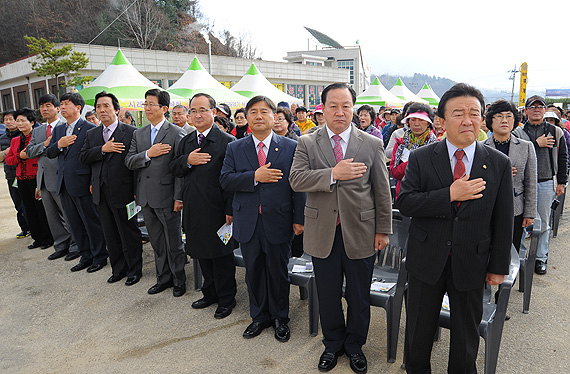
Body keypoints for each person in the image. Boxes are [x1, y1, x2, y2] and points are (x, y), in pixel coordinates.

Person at [396, 83, 514, 374]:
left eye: (474, 113)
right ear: (442, 120)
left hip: (472, 260)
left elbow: (503, 219)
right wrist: (449, 194)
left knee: (465, 338)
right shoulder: (422, 157)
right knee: (418, 334)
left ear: (482, 119)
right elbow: (406, 202)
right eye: (458, 113)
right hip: (427, 258)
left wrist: (499, 266)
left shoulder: (497, 163)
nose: (467, 120)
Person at [289, 82, 392, 374]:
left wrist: (382, 229)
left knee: (359, 294)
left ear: (354, 109)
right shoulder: (308, 142)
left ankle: (355, 345)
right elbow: (296, 179)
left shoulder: (371, 143)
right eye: (333, 105)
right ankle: (333, 344)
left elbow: (382, 191)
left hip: (361, 231)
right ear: (323, 108)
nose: (340, 112)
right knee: (328, 291)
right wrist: (333, 173)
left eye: (345, 105)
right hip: (323, 231)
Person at [220, 95, 306, 343]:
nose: (259, 116)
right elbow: (225, 179)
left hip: (279, 219)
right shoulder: (235, 147)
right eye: (253, 112)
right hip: (247, 220)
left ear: (274, 117)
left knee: (278, 272)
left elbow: (298, 187)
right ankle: (259, 317)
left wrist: (299, 219)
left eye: (264, 112)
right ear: (246, 118)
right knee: (253, 271)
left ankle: (280, 318)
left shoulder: (291, 146)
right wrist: (254, 176)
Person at [170, 93, 237, 319]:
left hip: (218, 210)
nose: (197, 115)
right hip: (193, 207)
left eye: (202, 110)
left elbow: (232, 181)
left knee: (221, 256)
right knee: (201, 253)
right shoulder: (186, 141)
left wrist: (230, 210)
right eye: (193, 111)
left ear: (214, 112)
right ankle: (210, 293)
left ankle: (227, 298)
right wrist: (187, 161)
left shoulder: (227, 141)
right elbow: (174, 168)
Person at [125, 88, 187, 296]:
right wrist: (148, 154)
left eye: (152, 104)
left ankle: (179, 279)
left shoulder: (177, 132)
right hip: (145, 196)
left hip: (168, 197)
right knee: (157, 242)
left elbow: (180, 170)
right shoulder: (139, 133)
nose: (147, 107)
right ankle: (164, 278)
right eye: (145, 104)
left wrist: (179, 196)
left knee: (174, 242)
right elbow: (129, 161)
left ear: (164, 108)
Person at [78, 91, 143, 286]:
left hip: (125, 192)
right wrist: (102, 149)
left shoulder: (131, 132)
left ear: (116, 109)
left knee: (128, 232)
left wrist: (136, 191)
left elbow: (136, 164)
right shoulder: (93, 133)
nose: (102, 110)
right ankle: (118, 269)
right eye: (99, 107)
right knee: (110, 233)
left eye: (106, 106)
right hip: (100, 191)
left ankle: (134, 270)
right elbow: (83, 157)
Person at [46, 93, 108, 273]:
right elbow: (50, 153)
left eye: (67, 104)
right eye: (62, 104)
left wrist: (92, 181)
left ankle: (99, 256)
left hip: (83, 183)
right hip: (64, 183)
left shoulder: (89, 128)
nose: (62, 107)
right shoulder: (59, 129)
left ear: (78, 108)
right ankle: (85, 255)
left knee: (91, 222)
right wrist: (60, 144)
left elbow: (94, 158)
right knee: (74, 222)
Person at [512, 95, 568, 275]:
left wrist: (562, 182)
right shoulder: (517, 133)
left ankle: (540, 258)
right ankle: (519, 257)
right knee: (520, 221)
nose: (536, 109)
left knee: (543, 223)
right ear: (526, 111)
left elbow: (563, 158)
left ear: (545, 110)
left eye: (540, 106)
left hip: (545, 183)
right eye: (532, 106)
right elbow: (514, 155)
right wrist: (536, 144)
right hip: (521, 184)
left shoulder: (555, 131)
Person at [26, 94, 79, 261]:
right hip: (43, 179)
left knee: (68, 214)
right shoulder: (38, 131)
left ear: (57, 108)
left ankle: (76, 245)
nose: (44, 109)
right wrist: (45, 145)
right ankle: (61, 244)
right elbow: (29, 152)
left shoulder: (66, 126)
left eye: (48, 105)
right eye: (42, 106)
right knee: (52, 216)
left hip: (61, 177)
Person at [483, 99, 537, 251]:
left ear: (515, 120)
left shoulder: (526, 147)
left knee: (510, 250)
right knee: (485, 249)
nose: (504, 120)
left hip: (515, 208)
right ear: (490, 120)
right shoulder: (481, 148)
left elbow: (531, 183)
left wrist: (530, 213)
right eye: (499, 116)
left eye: (509, 116)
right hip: (486, 208)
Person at [5, 108, 54, 249]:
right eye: (17, 121)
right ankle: (37, 238)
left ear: (32, 122)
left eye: (22, 120)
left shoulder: (38, 136)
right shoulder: (15, 140)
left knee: (41, 209)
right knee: (29, 209)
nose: (19, 124)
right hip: (21, 178)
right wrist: (20, 155)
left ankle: (47, 238)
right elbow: (9, 160)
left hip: (37, 177)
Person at [390, 103, 438, 198]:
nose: (416, 124)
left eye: (421, 120)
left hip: (429, 196)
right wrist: (415, 160)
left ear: (428, 123)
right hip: (404, 195)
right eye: (413, 120)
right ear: (408, 122)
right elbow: (395, 172)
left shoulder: (436, 145)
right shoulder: (401, 143)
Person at [0, 111, 30, 239]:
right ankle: (24, 228)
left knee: (28, 202)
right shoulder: (2, 138)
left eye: (11, 119)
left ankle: (33, 227)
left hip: (24, 173)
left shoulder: (23, 135)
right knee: (18, 203)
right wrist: (6, 153)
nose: (8, 122)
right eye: (5, 119)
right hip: (10, 175)